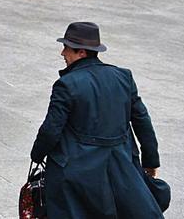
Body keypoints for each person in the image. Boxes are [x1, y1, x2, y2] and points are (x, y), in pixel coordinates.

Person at [30, 22, 164, 218]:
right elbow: (142, 120)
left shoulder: (66, 84)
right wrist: (151, 160)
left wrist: (37, 154)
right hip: (121, 166)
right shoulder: (123, 77)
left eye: (66, 48)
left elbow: (51, 129)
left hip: (76, 172)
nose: (62, 53)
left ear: (81, 52)